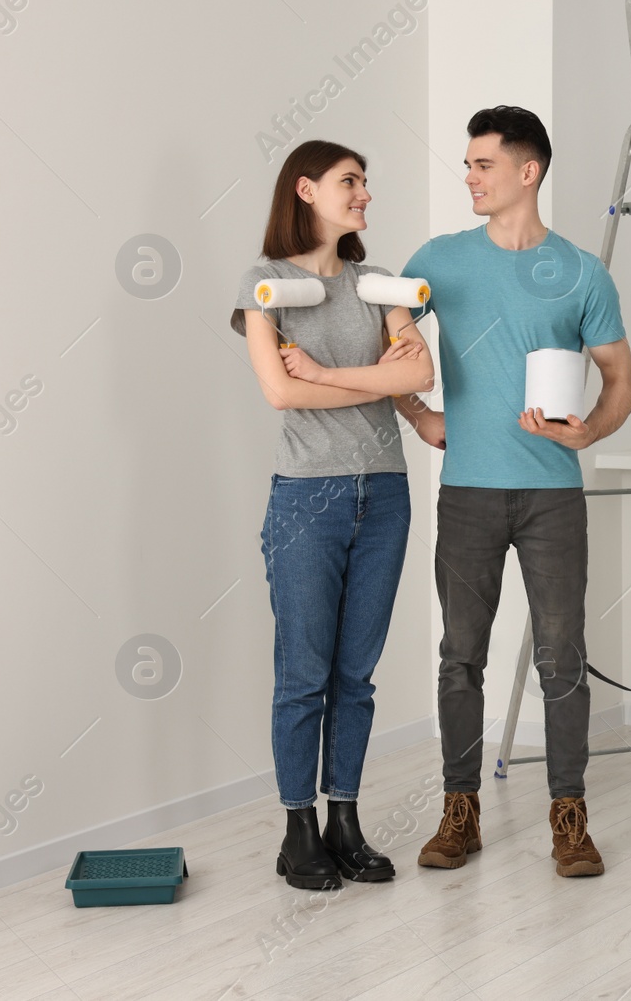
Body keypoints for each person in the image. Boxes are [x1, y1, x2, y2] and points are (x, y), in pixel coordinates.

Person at [395, 106, 631, 878]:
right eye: (467, 164)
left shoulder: (580, 272)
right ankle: (457, 810)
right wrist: (419, 414)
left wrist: (589, 431)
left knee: (562, 657)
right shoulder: (438, 260)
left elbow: (621, 380)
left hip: (551, 497)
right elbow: (385, 338)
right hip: (467, 490)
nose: (468, 176)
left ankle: (570, 815)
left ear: (526, 173)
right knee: (460, 657)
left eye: (482, 165)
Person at [232, 139, 435, 890]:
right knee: (304, 675)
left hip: (383, 494)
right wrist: (372, 383)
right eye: (352, 182)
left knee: (357, 674)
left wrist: (324, 371)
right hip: (306, 499)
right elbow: (282, 395)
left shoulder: (378, 282)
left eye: (366, 182)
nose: (365, 194)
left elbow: (420, 371)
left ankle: (345, 818)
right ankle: (298, 830)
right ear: (307, 190)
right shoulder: (265, 284)